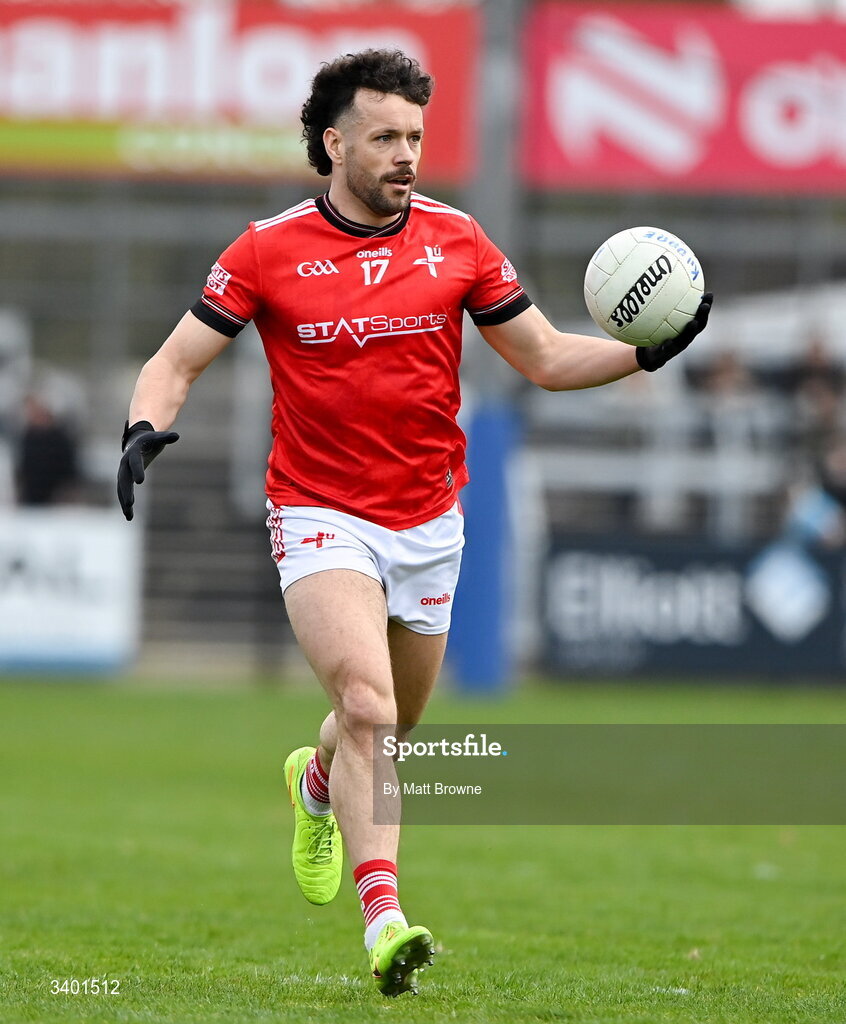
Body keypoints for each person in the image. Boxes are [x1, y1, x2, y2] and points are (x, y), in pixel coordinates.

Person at [117, 49, 712, 997]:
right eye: (387, 136)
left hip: (431, 519)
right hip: (318, 511)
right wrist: (147, 427)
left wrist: (649, 354)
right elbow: (175, 361)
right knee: (367, 707)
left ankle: (315, 786)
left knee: (386, 728)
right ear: (334, 141)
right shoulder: (265, 250)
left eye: (417, 137)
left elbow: (549, 358)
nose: (406, 154)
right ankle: (385, 921)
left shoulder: (459, 239)